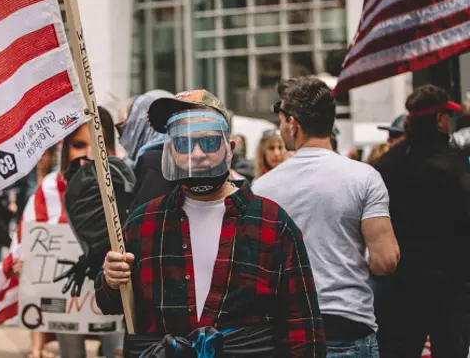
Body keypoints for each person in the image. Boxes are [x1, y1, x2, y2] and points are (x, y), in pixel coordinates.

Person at [96, 90, 326, 357]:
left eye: (208, 142)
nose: (196, 154)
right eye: (183, 143)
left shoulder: (272, 224)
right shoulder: (144, 222)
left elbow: (303, 329)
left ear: (229, 148)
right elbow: (110, 303)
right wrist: (111, 280)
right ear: (169, 151)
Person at [252, 77, 399, 357]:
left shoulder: (263, 188)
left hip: (289, 329)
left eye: (281, 120)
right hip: (349, 323)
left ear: (293, 124)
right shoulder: (364, 178)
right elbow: (386, 261)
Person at [373, 85, 470, 358]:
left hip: (401, 283)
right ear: (440, 119)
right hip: (450, 286)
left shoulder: (388, 163)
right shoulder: (457, 163)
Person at [53, 106, 128, 358]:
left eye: (98, 143)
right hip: (68, 298)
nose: (87, 153)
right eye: (77, 144)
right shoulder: (48, 190)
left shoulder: (124, 182)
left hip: (114, 292)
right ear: (65, 148)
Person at [117, 90, 175, 211]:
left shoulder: (154, 162)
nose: (121, 139)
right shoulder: (176, 155)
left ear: (140, 124)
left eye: (123, 128)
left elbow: (142, 222)